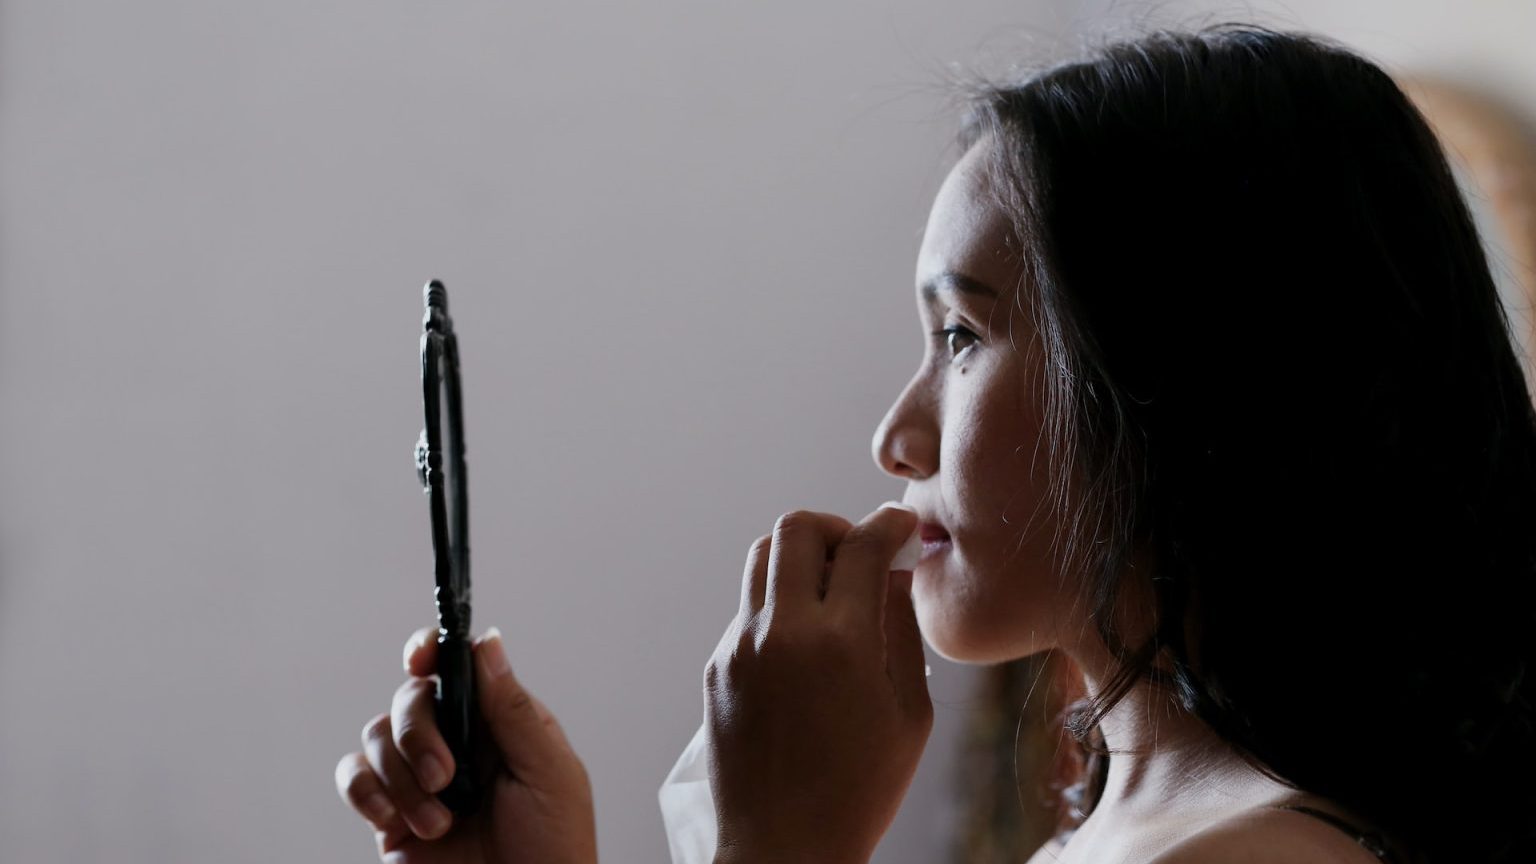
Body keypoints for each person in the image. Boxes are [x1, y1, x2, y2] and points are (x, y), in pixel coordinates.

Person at [333, 24, 1536, 864]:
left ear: (1182, 373)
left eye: (961, 337)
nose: (897, 433)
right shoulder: (1126, 831)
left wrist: (786, 844)